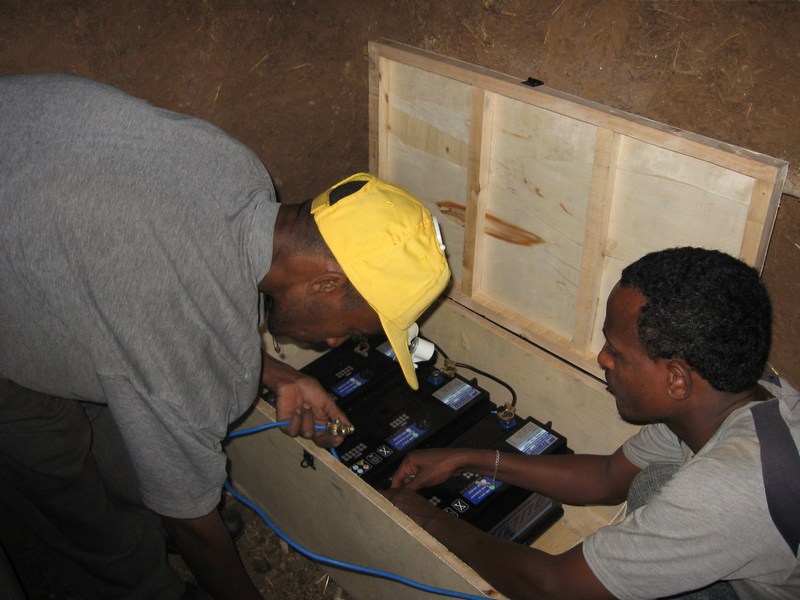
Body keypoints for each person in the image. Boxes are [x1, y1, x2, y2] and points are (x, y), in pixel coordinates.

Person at [0, 73, 450, 600]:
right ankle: (140, 583)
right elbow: (192, 519)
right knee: (61, 474)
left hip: (25, 155)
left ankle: (139, 525)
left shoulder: (235, 167)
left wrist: (275, 373)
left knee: (121, 422)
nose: (334, 344)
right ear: (327, 283)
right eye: (348, 328)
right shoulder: (168, 318)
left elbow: (184, 305)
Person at [384, 247, 800, 599]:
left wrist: (427, 519)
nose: (602, 358)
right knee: (651, 485)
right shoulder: (727, 398)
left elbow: (554, 587)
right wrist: (467, 459)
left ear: (676, 379)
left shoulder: (728, 488)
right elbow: (605, 478)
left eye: (616, 353)